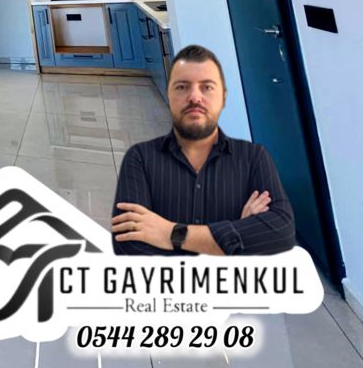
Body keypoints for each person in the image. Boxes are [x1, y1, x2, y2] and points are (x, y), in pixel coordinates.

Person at [110, 44, 295, 255]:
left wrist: (171, 233)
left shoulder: (253, 157)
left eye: (207, 87)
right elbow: (127, 244)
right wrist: (237, 237)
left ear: (223, 97)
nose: (194, 98)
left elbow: (282, 231)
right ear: (169, 95)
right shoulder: (141, 158)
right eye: (182, 87)